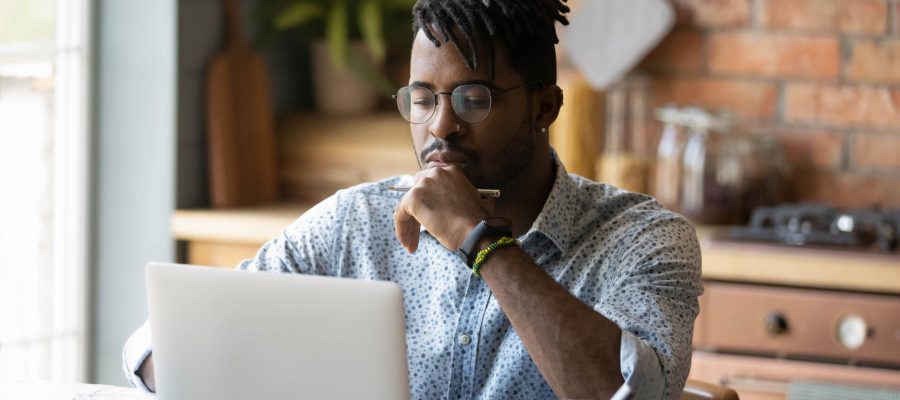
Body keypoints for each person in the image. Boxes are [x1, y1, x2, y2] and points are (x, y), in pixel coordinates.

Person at [123, 0, 702, 399]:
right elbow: (157, 346)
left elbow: (628, 393)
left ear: (545, 108)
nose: (441, 128)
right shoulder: (354, 223)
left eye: (474, 100)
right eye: (423, 100)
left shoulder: (643, 239)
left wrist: (483, 243)